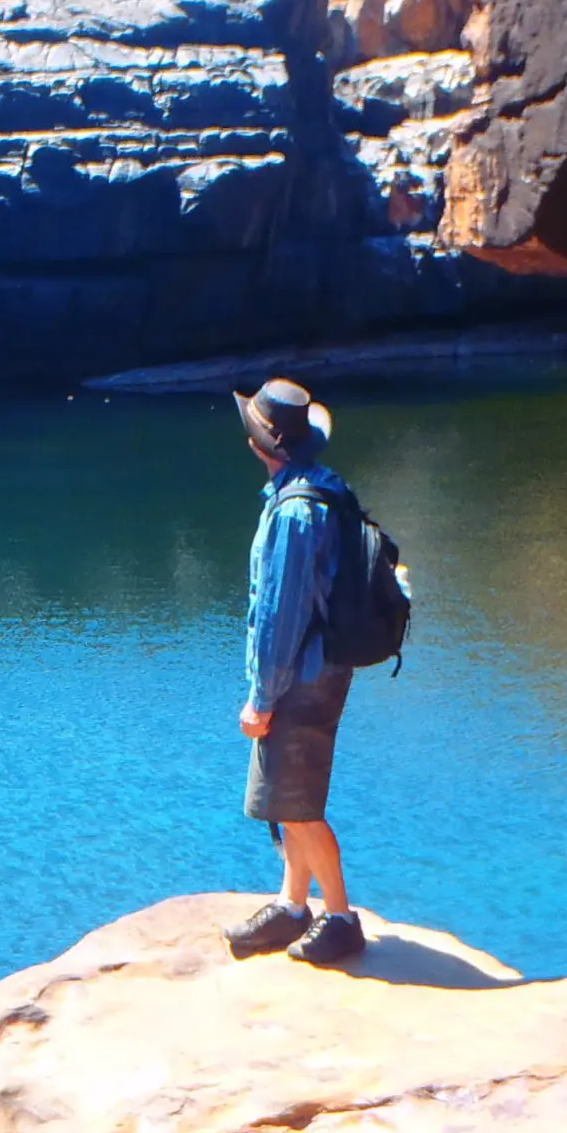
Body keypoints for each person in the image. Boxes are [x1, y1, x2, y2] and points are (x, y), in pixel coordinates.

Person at [224, 378, 366, 965]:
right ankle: (291, 904)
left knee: (297, 804)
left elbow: (280, 615)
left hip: (299, 678)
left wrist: (261, 698)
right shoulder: (323, 489)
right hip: (320, 668)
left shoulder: (294, 512)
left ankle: (340, 917)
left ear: (263, 445)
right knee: (287, 797)